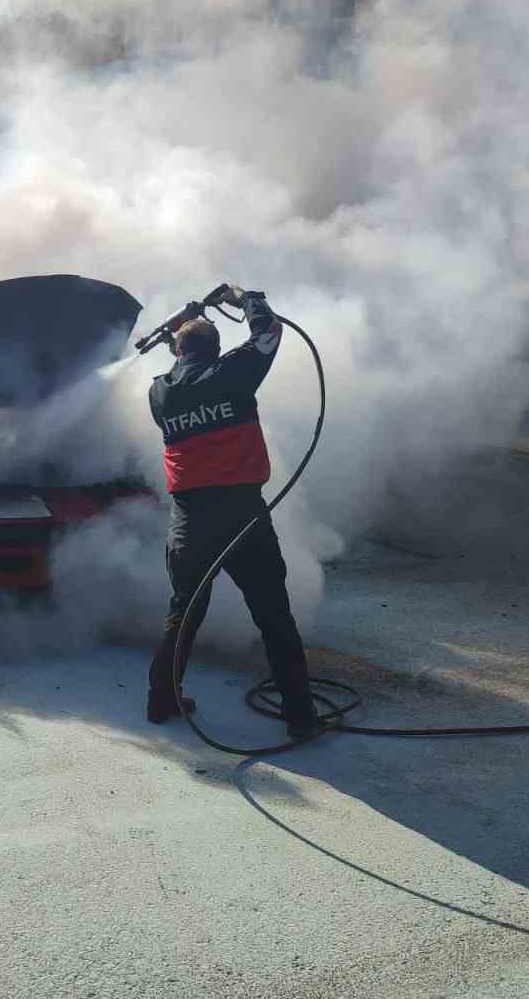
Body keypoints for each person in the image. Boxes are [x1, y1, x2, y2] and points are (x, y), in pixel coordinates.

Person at [145, 284, 318, 738]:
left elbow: (182, 370)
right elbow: (267, 333)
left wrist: (182, 330)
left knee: (183, 613)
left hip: (189, 523)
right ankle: (300, 717)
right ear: (216, 348)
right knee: (273, 615)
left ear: (178, 349)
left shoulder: (159, 394)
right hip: (242, 518)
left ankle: (161, 701)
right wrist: (245, 297)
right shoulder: (233, 374)